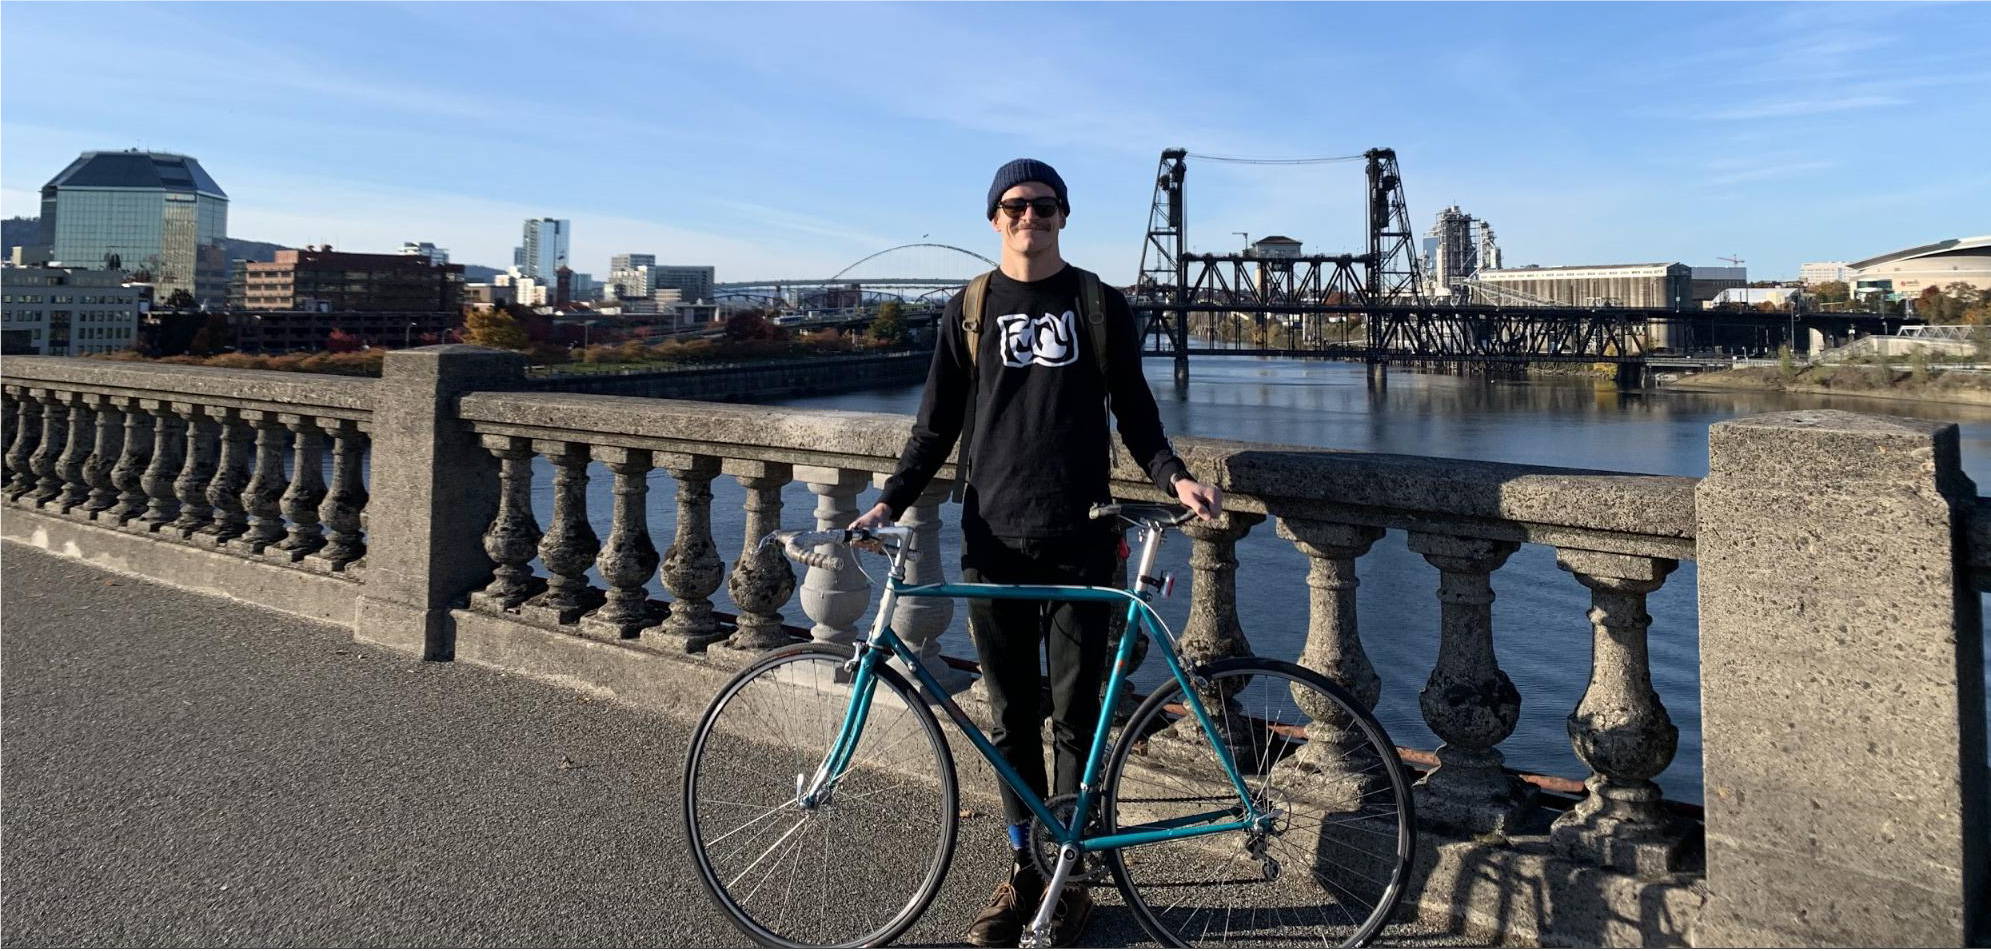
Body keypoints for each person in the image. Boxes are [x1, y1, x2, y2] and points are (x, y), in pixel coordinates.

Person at [851, 158, 1222, 948]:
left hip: (1085, 538)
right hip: (991, 538)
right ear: (993, 219)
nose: (1031, 216)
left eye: (1045, 205)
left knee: (1074, 716)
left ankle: (1071, 877)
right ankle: (1021, 867)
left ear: (1063, 215)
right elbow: (934, 425)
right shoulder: (969, 308)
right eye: (1015, 206)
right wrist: (889, 498)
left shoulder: (1098, 303)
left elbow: (1137, 413)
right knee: (1010, 714)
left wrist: (1175, 476)